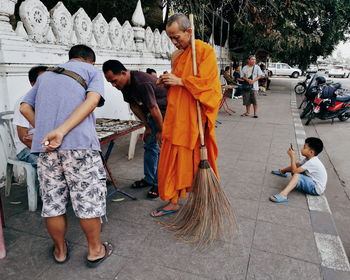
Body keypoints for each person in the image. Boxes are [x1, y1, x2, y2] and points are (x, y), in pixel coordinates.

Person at [20, 45, 112, 267]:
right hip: (80, 147)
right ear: (90, 60)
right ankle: (95, 251)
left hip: (46, 148)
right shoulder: (91, 71)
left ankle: (60, 251)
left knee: (52, 203)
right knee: (87, 201)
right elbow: (91, 102)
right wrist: (61, 131)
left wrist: (45, 131)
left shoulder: (46, 76)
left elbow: (24, 107)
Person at [150, 13, 221, 217]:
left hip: (194, 118)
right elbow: (179, 81)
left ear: (189, 32)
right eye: (170, 38)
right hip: (176, 116)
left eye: (177, 37)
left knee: (196, 159)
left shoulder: (204, 52)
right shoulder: (176, 56)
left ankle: (202, 199)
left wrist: (180, 82)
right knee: (173, 158)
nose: (174, 42)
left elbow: (209, 86)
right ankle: (172, 201)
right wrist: (167, 81)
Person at [103, 60, 167, 199]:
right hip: (152, 115)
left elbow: (154, 107)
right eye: (110, 83)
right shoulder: (124, 85)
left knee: (162, 149)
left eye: (114, 81)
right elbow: (134, 106)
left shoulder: (142, 82)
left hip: (165, 113)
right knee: (149, 146)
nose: (114, 85)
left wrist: (161, 130)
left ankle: (159, 183)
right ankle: (149, 179)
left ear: (124, 73)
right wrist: (147, 126)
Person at [270, 137, 327, 203]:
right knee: (297, 165)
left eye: (304, 148)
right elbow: (297, 165)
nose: (301, 149)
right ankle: (282, 172)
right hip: (311, 180)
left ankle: (283, 195)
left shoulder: (312, 162)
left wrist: (292, 156)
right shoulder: (309, 159)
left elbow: (294, 172)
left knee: (296, 175)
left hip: (316, 188)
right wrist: (285, 169)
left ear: (311, 152)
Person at [13, 66, 47, 168]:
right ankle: (39, 185)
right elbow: (24, 137)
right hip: (27, 148)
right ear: (33, 84)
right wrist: (45, 151)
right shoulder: (25, 103)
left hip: (45, 144)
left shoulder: (49, 99)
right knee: (46, 165)